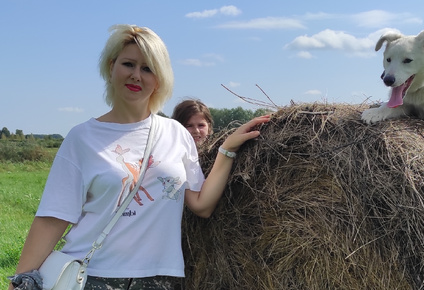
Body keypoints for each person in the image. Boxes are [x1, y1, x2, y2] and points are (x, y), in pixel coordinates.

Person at [8, 24, 269, 290]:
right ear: (111, 67)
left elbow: (201, 204)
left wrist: (227, 149)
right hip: (91, 276)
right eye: (128, 64)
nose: (136, 75)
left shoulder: (175, 133)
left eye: (147, 68)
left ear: (159, 79)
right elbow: (53, 218)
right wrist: (21, 281)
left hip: (161, 279)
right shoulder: (82, 138)